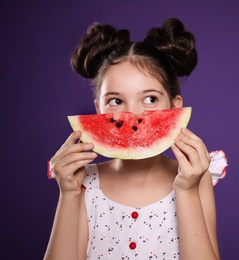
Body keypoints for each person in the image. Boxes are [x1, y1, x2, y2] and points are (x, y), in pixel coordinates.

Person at [44, 18, 220, 260]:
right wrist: (68, 194)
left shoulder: (194, 178)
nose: (133, 115)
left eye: (150, 99)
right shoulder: (84, 183)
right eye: (116, 101)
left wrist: (187, 191)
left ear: (175, 108)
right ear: (99, 110)